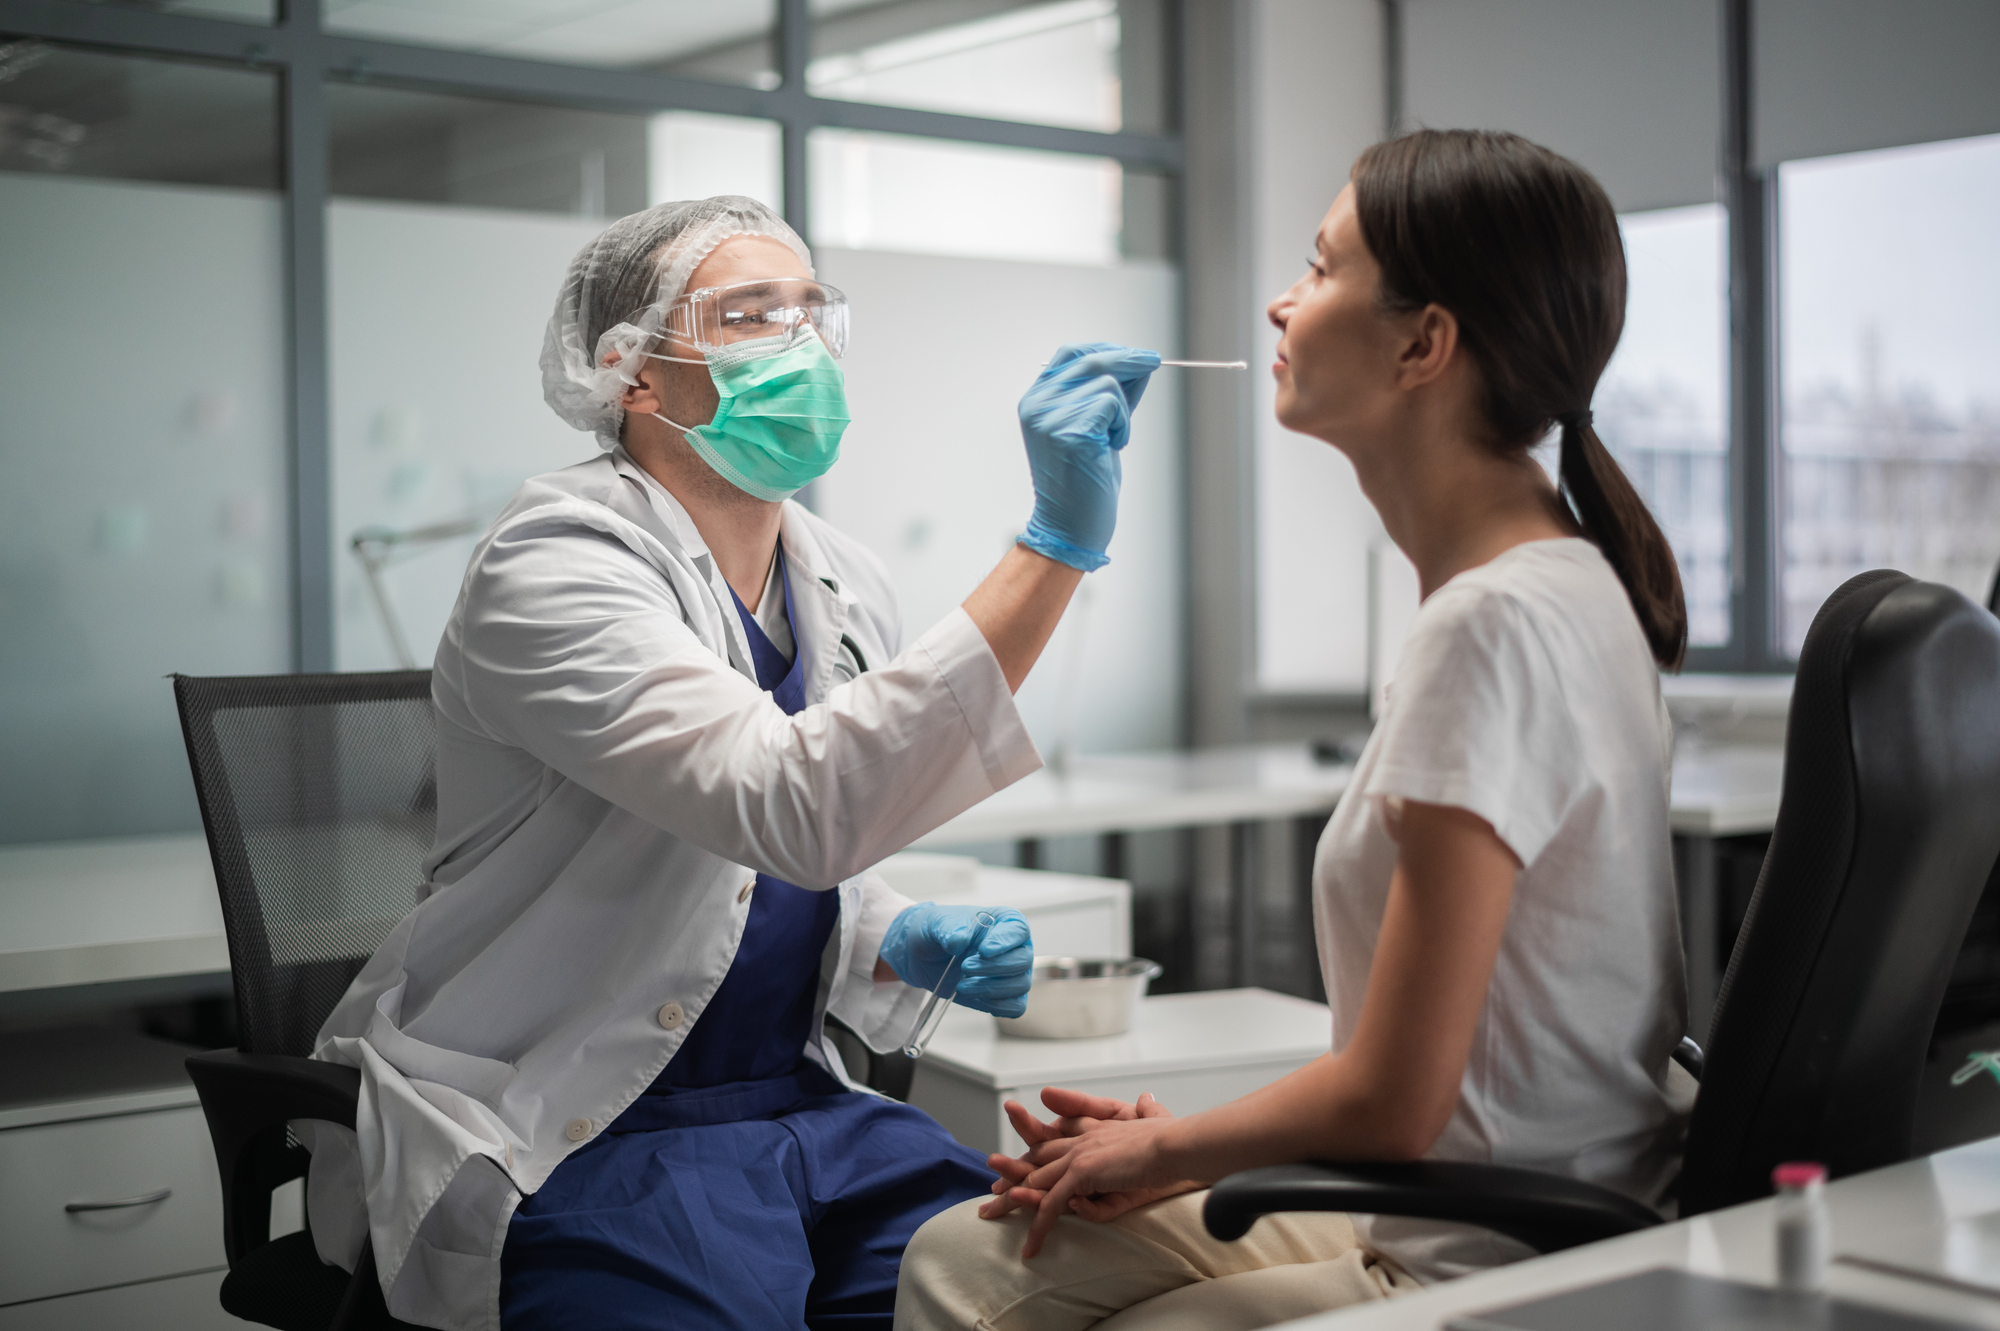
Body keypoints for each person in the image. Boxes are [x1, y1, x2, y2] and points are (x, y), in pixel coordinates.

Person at [293, 196, 1161, 1331]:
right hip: (583, 1128)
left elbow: (764, 859)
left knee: (1089, 1279)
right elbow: (788, 799)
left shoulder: (841, 580)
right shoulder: (552, 562)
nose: (798, 344)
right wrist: (1049, 549)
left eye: (811, 312)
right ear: (630, 376)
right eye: (751, 318)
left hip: (803, 1109)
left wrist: (885, 931)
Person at [894, 129, 1697, 1331]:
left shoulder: (1488, 624)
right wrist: (1182, 1139)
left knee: (1006, 1282)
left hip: (1491, 1251)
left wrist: (1171, 1151)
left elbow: (1395, 1100)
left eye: (1319, 269)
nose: (1280, 301)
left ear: (1424, 344)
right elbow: (1442, 1067)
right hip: (1484, 1190)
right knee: (968, 1254)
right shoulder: (1556, 581)